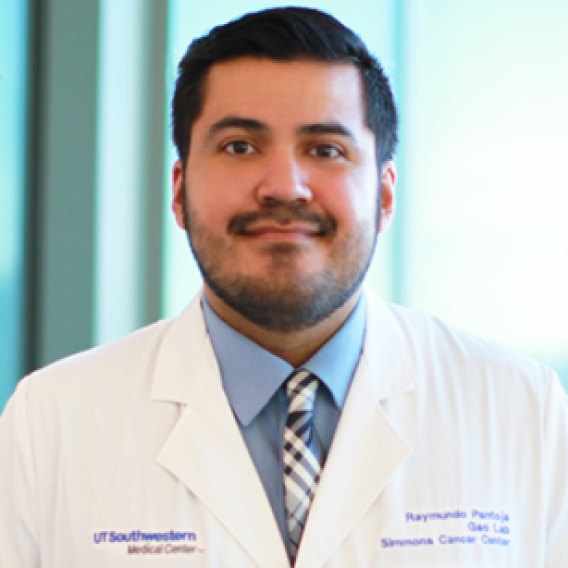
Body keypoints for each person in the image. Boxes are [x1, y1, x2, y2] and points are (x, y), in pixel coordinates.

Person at [1, 6, 567, 567]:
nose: (284, 188)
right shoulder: (49, 423)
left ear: (385, 193)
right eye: (240, 147)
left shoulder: (524, 413)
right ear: (179, 190)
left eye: (325, 150)